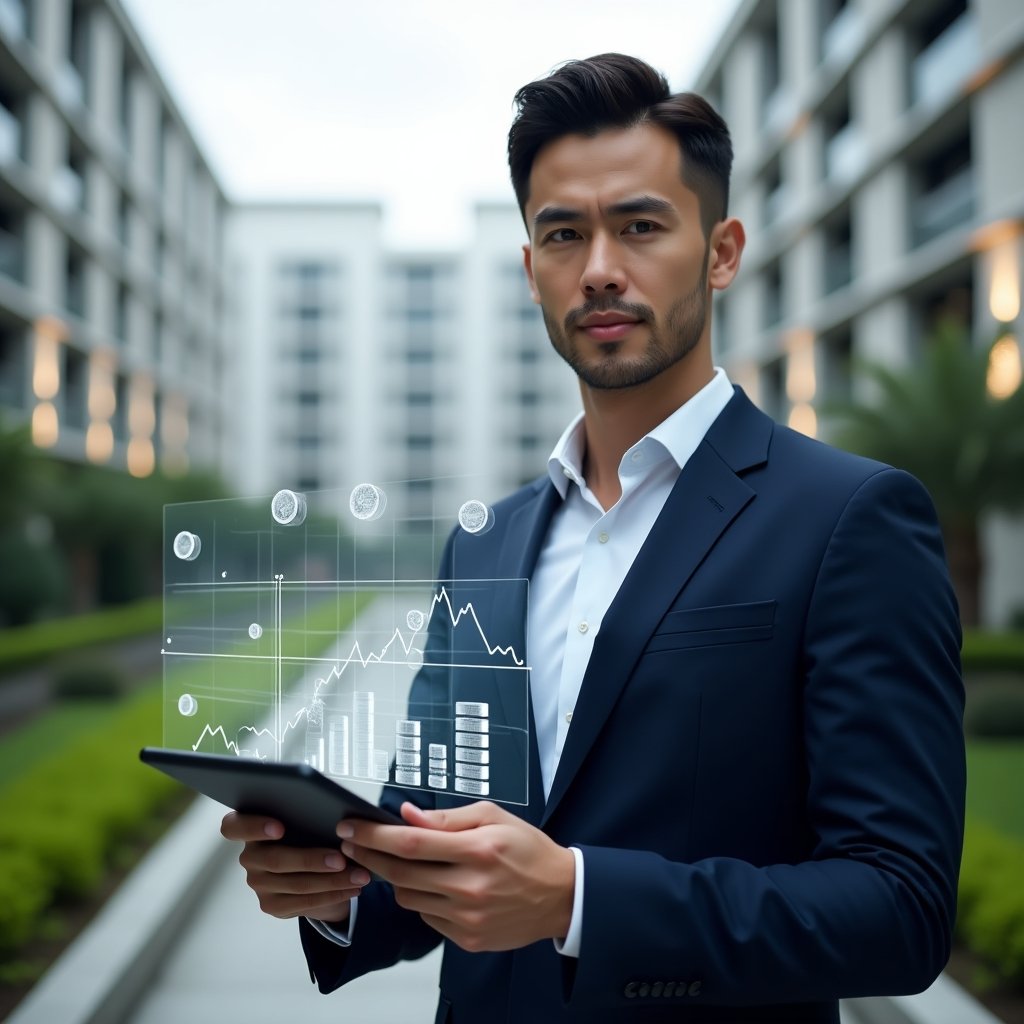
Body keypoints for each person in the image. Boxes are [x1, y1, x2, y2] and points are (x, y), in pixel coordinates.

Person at [221, 53, 965, 1023]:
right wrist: (333, 888)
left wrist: (579, 898)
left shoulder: (849, 519)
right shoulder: (485, 543)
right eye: (563, 234)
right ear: (532, 271)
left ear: (722, 251)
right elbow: (439, 823)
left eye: (641, 226)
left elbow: (899, 908)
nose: (600, 267)